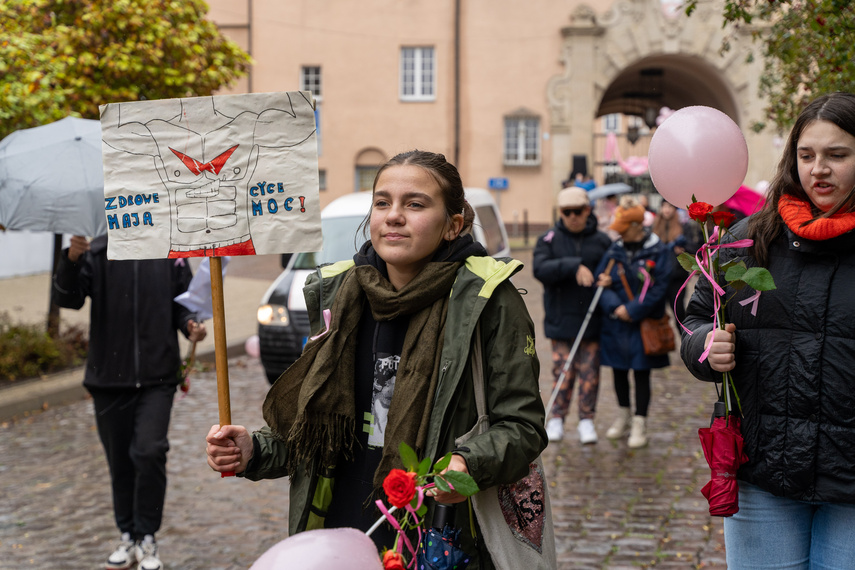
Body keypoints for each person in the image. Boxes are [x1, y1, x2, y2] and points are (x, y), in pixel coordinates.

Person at [205, 150, 548, 568]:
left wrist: (470, 464)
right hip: (342, 529)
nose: (394, 216)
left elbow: (522, 426)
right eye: (382, 202)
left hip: (439, 534)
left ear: (452, 225)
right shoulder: (338, 295)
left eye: (415, 204)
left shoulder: (488, 301)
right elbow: (313, 428)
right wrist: (253, 451)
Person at [681, 92, 855, 569]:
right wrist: (704, 347)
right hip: (763, 473)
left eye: (837, 155)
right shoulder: (747, 241)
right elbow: (696, 318)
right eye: (807, 155)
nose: (819, 168)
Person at [53, 235, 207, 570]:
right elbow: (69, 299)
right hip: (108, 379)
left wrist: (190, 325)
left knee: (149, 450)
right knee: (120, 462)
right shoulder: (97, 250)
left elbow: (183, 302)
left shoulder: (170, 248)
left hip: (158, 378)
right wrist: (71, 259)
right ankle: (127, 535)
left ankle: (147, 537)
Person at [533, 186, 612, 444]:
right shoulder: (549, 239)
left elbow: (614, 268)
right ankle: (556, 417)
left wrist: (607, 279)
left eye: (578, 211)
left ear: (587, 210)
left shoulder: (601, 241)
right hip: (561, 318)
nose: (573, 217)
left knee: (590, 373)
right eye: (567, 212)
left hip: (592, 319)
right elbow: (540, 268)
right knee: (563, 371)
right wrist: (573, 266)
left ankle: (586, 419)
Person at [594, 196, 672, 448]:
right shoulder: (615, 250)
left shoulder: (658, 251)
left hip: (643, 322)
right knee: (618, 370)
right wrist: (616, 307)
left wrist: (633, 309)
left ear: (637, 227)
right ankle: (623, 415)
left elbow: (660, 288)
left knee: (640, 373)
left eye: (623, 229)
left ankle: (640, 422)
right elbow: (601, 280)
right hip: (617, 323)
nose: (618, 234)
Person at [652, 200, 701, 323]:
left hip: (677, 275)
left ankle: (684, 337)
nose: (667, 209)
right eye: (664, 206)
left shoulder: (683, 226)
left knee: (678, 310)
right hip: (659, 275)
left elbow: (693, 246)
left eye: (669, 206)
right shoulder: (655, 227)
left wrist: (682, 249)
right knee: (659, 311)